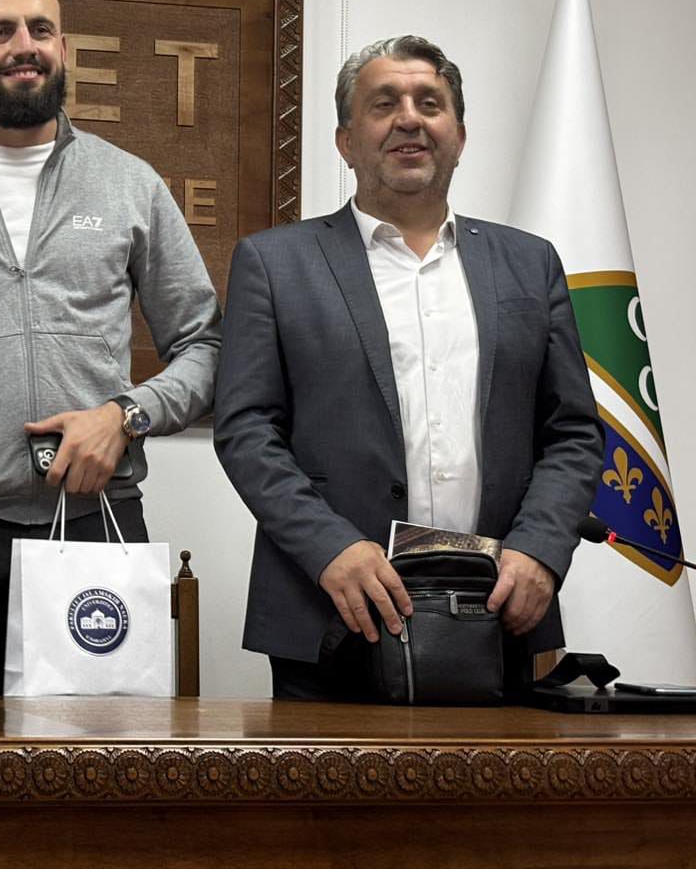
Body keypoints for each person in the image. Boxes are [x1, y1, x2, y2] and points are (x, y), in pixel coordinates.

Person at [213, 34, 601, 700]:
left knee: (499, 777)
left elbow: (573, 431)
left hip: (498, 613)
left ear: (460, 135)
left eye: (430, 103)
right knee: (328, 777)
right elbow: (246, 430)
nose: (409, 119)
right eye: (384, 103)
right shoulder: (274, 264)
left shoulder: (529, 263)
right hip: (332, 613)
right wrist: (329, 548)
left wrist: (541, 548)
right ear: (345, 141)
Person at [0, 0, 222, 696]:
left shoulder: (130, 184)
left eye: (41, 29)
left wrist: (125, 416)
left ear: (62, 47)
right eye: (0, 32)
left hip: (97, 521)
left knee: (96, 751)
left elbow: (206, 346)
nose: (25, 46)